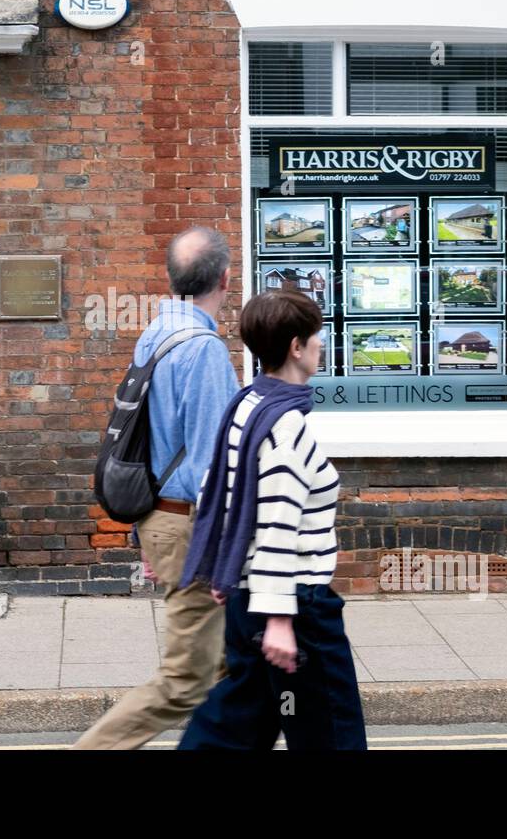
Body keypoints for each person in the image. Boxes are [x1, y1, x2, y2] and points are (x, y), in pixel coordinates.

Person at [176, 288, 367, 750]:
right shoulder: (286, 425)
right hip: (296, 609)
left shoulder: (247, 405)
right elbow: (278, 524)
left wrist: (230, 572)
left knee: (237, 726)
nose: (322, 344)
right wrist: (280, 619)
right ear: (296, 347)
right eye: (315, 336)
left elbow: (214, 490)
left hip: (248, 601)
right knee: (331, 735)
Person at [74, 226, 242, 750]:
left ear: (172, 279)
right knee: (184, 681)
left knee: (223, 669)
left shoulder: (157, 332)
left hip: (163, 517)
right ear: (226, 278)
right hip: (191, 523)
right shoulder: (204, 349)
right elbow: (215, 466)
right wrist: (225, 547)